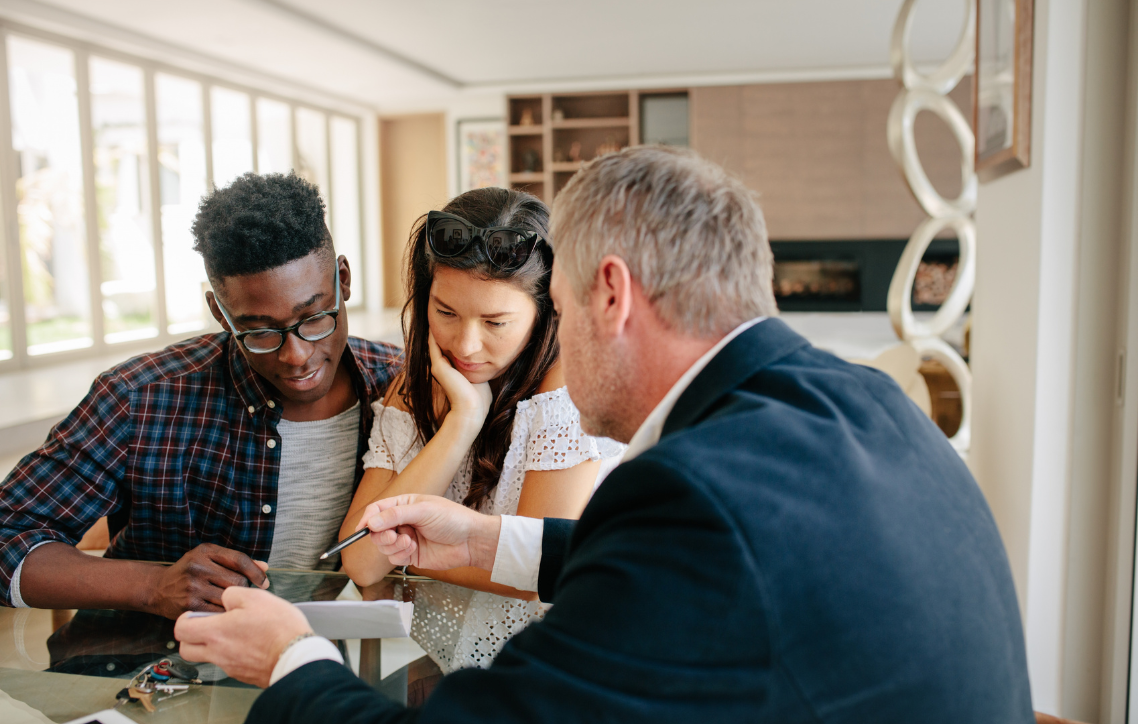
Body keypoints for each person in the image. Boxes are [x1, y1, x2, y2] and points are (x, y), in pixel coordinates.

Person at [175, 148, 1034, 723]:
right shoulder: (858, 399)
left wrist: (293, 660)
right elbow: (703, 566)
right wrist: (486, 539)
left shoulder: (695, 491)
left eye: (558, 308)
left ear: (609, 295)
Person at [0, 173, 399, 618]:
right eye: (259, 331)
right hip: (151, 670)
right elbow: (7, 535)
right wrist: (153, 585)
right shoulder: (141, 397)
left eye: (314, 317)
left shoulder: (401, 388)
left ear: (343, 280)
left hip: (317, 666)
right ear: (221, 314)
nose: (296, 355)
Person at [339, 187, 623, 680]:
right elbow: (361, 562)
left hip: (542, 671)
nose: (466, 345)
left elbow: (533, 569)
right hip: (428, 663)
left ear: (547, 312)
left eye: (496, 322)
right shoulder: (419, 383)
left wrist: (405, 557)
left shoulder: (568, 389)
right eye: (445, 312)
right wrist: (461, 422)